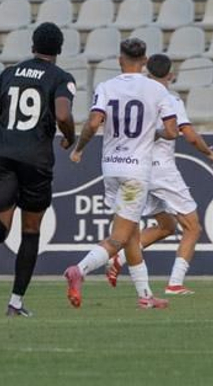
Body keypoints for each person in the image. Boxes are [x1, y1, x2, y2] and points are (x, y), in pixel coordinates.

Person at [0, 22, 77, 317]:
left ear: (32, 47)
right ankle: (15, 302)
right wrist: (70, 135)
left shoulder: (10, 72)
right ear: (59, 50)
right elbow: (63, 113)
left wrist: (0, 137)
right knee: (30, 230)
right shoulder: (60, 77)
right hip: (35, 160)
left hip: (3, 156)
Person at [61, 39, 179, 310]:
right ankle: (79, 270)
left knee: (132, 234)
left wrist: (79, 149)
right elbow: (172, 132)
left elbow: (93, 123)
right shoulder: (157, 90)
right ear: (146, 61)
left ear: (119, 60)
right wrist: (154, 133)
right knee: (120, 237)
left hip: (111, 167)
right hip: (136, 171)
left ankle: (145, 296)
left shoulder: (106, 87)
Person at [104, 54, 213, 295]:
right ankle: (175, 283)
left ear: (148, 70)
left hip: (140, 169)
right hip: (162, 171)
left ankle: (119, 260)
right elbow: (186, 133)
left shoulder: (140, 94)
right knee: (192, 227)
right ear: (171, 75)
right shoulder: (169, 98)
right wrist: (209, 153)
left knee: (166, 225)